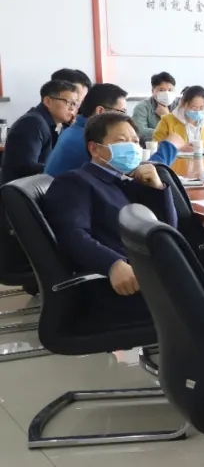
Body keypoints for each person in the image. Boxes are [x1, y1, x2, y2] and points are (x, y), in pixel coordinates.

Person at [42, 112, 177, 321]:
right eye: (121, 141)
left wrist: (157, 188)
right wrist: (112, 264)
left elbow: (167, 229)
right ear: (94, 148)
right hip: (123, 285)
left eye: (135, 141)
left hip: (155, 272)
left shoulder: (127, 181)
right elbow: (72, 235)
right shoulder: (75, 182)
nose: (131, 147)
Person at [45, 84, 181, 176]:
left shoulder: (76, 130)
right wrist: (169, 147)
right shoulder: (85, 140)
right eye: (121, 112)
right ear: (100, 111)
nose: (124, 118)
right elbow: (139, 176)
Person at [1, 80, 80, 184]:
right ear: (48, 102)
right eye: (68, 102)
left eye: (75, 104)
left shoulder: (56, 124)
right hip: (21, 190)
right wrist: (62, 169)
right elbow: (26, 166)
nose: (72, 108)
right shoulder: (32, 123)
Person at [153, 86, 204, 150]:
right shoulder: (167, 121)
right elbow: (155, 146)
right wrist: (178, 148)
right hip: (176, 158)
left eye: (202, 107)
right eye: (194, 107)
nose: (198, 111)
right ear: (183, 104)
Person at [131, 72, 176, 141]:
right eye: (162, 90)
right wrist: (166, 133)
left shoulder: (179, 106)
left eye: (170, 90)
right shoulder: (142, 107)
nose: (167, 93)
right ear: (153, 91)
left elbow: (184, 130)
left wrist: (166, 116)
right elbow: (139, 131)